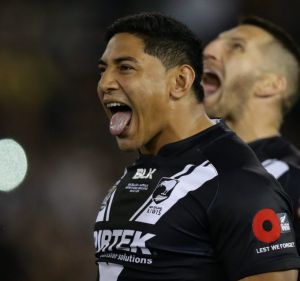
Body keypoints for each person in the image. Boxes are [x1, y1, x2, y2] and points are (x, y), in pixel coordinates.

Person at [95, 12, 300, 281]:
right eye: (103, 70)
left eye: (125, 67)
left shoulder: (238, 183)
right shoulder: (140, 171)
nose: (105, 83)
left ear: (179, 82)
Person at [202, 15, 300, 256]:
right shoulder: (182, 164)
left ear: (270, 84)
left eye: (237, 46)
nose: (208, 50)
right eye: (214, 42)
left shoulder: (290, 180)